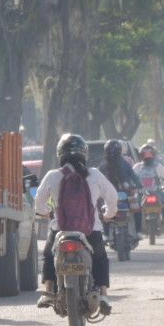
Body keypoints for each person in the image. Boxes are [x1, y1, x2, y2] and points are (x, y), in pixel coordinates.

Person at [34, 134, 117, 314]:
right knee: (100, 258)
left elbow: (38, 204)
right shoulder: (94, 174)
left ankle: (48, 290)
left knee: (49, 255)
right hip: (90, 230)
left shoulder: (52, 176)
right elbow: (112, 197)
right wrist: (108, 214)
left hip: (60, 230)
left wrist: (46, 213)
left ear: (60, 154)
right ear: (84, 153)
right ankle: (103, 293)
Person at [99, 139, 142, 236]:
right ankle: (138, 231)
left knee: (103, 210)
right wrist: (138, 185)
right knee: (136, 209)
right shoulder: (124, 163)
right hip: (125, 192)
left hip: (111, 194)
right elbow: (133, 176)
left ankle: (105, 234)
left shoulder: (103, 165)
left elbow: (98, 180)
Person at [133, 143, 164, 230]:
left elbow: (131, 177)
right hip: (156, 192)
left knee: (136, 207)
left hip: (142, 193)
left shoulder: (137, 167)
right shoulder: (157, 166)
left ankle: (137, 225)